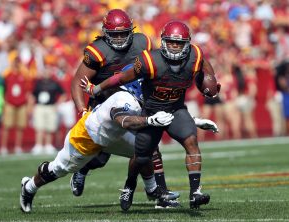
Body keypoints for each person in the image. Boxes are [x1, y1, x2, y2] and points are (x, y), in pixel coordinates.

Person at [20, 79, 218, 213]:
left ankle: (153, 190)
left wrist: (195, 121)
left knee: (146, 148)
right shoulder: (125, 100)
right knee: (58, 169)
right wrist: (150, 121)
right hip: (89, 138)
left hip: (116, 137)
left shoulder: (140, 100)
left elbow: (164, 116)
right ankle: (29, 187)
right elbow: (124, 121)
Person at [81, 20, 221, 210]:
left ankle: (195, 192)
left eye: (179, 43)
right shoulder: (149, 60)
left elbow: (204, 64)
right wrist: (96, 88)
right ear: (163, 41)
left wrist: (210, 81)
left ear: (187, 44)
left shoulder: (194, 55)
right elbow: (121, 77)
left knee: (191, 141)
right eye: (171, 41)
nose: (175, 46)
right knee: (142, 156)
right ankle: (129, 185)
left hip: (176, 109)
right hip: (151, 112)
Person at [69, 8, 179, 204]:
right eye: (115, 34)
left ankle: (158, 192)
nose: (119, 38)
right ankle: (83, 168)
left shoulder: (142, 42)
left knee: (149, 145)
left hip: (134, 101)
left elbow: (152, 68)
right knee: (100, 158)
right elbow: (78, 81)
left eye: (123, 33)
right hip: (104, 105)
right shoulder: (97, 51)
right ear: (105, 33)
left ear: (131, 30)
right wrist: (82, 111)